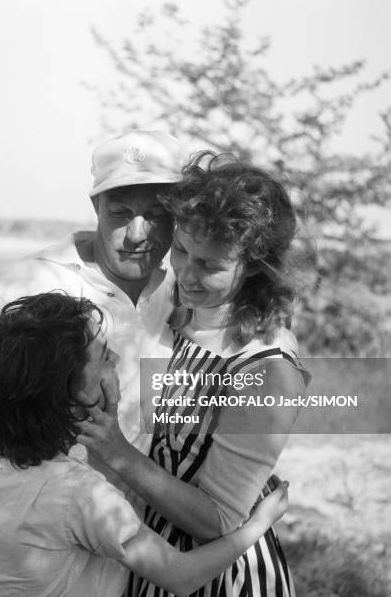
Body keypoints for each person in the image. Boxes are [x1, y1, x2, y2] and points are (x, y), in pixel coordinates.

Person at [0, 130, 185, 596]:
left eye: (158, 215)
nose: (139, 234)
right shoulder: (28, 284)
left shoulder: (184, 293)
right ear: (96, 204)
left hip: (128, 564)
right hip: (19, 570)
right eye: (121, 213)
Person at [78, 152, 311, 596]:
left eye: (209, 265)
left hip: (219, 576)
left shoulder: (267, 369)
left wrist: (116, 452)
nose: (185, 272)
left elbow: (218, 521)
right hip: (154, 561)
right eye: (182, 250)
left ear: (255, 267)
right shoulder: (180, 306)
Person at [0, 291, 290, 597]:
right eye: (102, 357)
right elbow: (182, 576)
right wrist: (258, 525)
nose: (115, 358)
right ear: (73, 400)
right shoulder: (82, 496)